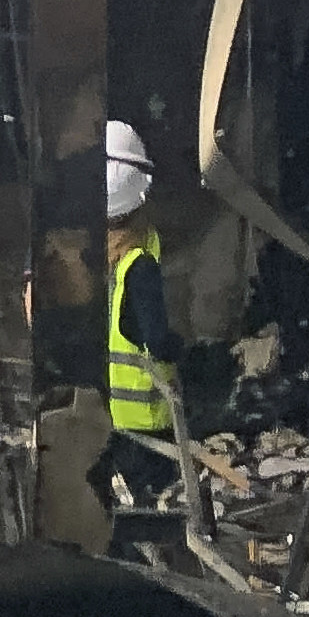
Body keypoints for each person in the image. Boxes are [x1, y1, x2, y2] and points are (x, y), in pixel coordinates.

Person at [101, 119, 183, 505]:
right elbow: (158, 342)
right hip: (149, 428)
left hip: (110, 422)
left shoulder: (97, 262)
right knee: (156, 516)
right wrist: (184, 351)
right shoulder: (140, 266)